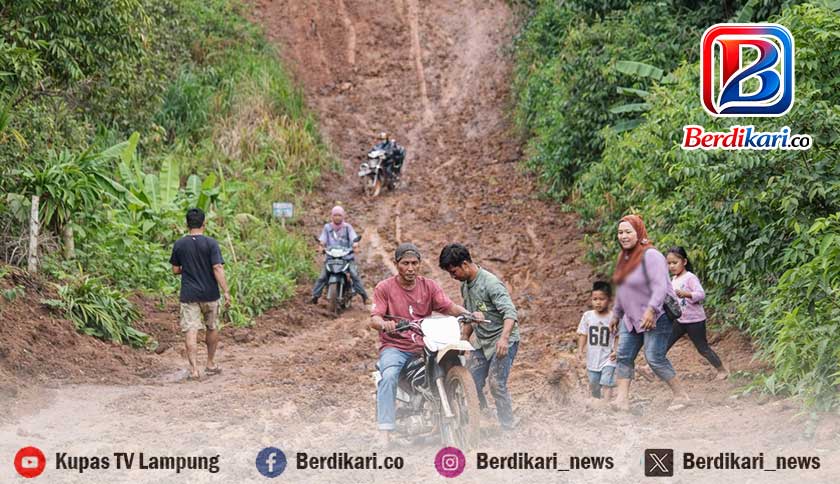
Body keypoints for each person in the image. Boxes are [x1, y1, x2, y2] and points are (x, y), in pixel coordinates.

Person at [369, 243, 470, 446]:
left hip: (424, 343)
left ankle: (462, 412)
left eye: (414, 263)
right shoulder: (384, 288)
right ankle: (384, 433)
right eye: (405, 263)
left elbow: (448, 306)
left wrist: (468, 314)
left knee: (454, 361)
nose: (410, 268)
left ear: (420, 264)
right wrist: (384, 324)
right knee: (388, 377)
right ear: (397, 264)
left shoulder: (429, 286)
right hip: (395, 347)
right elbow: (374, 318)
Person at [608, 214, 690, 411]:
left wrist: (651, 311)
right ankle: (622, 400)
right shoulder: (624, 257)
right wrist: (616, 313)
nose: (623, 236)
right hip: (630, 318)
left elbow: (660, 286)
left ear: (639, 233)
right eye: (620, 232)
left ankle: (682, 395)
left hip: (656, 316)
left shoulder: (651, 255)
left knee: (654, 357)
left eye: (628, 232)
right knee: (624, 356)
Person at [438, 243, 520, 430]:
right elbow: (470, 317)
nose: (453, 276)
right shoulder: (465, 286)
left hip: (503, 340)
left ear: (465, 264)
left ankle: (508, 427)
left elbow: (510, 313)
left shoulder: (490, 284)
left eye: (454, 271)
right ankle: (483, 417)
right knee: (471, 383)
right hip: (482, 342)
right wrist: (464, 339)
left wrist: (504, 339)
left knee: (496, 383)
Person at [169, 208, 231, 380]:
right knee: (212, 327)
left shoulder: (180, 244)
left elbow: (175, 269)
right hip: (211, 293)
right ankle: (210, 363)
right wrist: (226, 291)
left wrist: (187, 269)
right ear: (204, 224)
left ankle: (194, 369)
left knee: (191, 330)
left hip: (189, 295)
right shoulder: (211, 243)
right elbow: (217, 267)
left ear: (186, 224)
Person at [665, 246, 729, 380]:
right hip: (680, 320)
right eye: (669, 263)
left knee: (702, 348)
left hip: (695, 321)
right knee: (665, 344)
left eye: (675, 263)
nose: (671, 266)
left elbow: (701, 294)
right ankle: (652, 369)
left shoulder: (690, 277)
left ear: (684, 262)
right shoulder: (674, 280)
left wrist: (687, 294)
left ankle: (722, 370)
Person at [310, 205, 369, 305]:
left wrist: (355, 245)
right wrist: (321, 246)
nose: (337, 217)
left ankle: (364, 296)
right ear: (331, 216)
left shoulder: (347, 227)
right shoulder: (327, 227)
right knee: (322, 277)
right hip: (331, 258)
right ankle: (315, 296)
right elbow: (323, 239)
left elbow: (353, 238)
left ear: (343, 216)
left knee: (354, 275)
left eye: (339, 215)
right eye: (335, 215)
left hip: (346, 258)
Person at [577, 281, 617, 403]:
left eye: (602, 299)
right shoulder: (588, 316)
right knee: (594, 383)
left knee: (607, 382)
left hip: (608, 357)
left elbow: (618, 335)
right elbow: (583, 333)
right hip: (593, 357)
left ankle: (606, 404)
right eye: (595, 299)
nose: (598, 302)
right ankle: (596, 401)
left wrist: (616, 350)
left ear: (609, 300)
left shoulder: (613, 317)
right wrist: (580, 350)